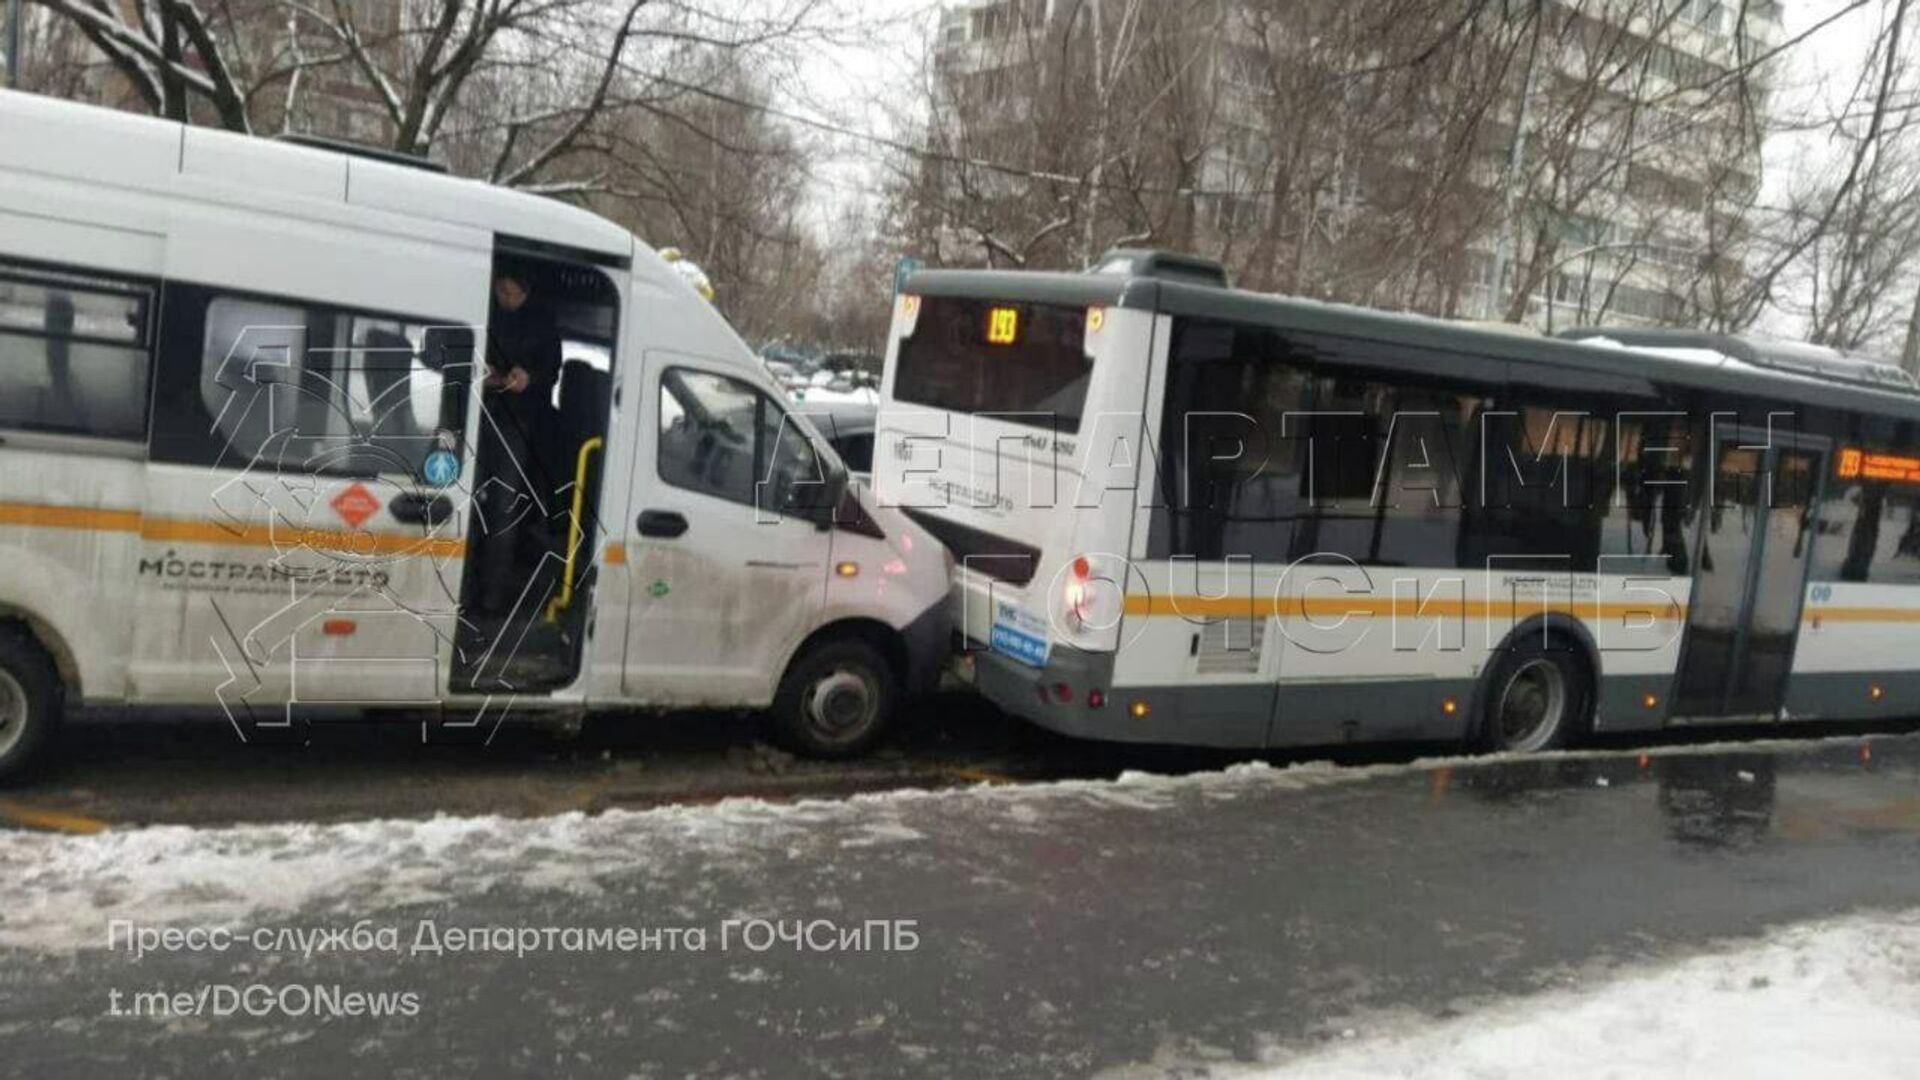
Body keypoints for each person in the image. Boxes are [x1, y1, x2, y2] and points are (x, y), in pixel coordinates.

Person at [477, 267, 565, 617]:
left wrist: (530, 378)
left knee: (503, 506)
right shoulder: (482, 310)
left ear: (526, 291)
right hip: (476, 414)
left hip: (518, 421)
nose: (506, 299)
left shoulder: (543, 325)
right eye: (501, 291)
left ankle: (491, 597)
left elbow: (551, 372)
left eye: (514, 294)